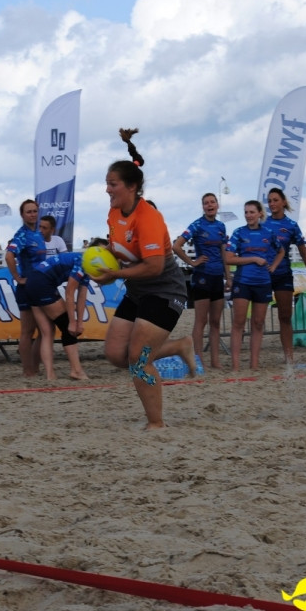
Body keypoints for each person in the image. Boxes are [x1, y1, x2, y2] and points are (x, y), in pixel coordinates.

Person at [89, 160, 194, 430]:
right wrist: (100, 261)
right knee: (115, 354)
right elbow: (120, 253)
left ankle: (156, 423)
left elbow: (154, 266)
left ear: (132, 186)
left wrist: (114, 276)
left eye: (112, 184)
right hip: (138, 292)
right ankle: (180, 346)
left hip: (165, 291)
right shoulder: (114, 214)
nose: (107, 190)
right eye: (107, 183)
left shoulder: (148, 217)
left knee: (138, 360)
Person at [172, 192, 230, 369]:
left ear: (217, 205)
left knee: (215, 322)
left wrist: (228, 277)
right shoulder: (196, 225)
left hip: (217, 278)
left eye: (212, 202)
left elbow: (223, 254)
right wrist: (192, 262)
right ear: (203, 206)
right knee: (201, 320)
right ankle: (197, 360)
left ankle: (215, 361)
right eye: (206, 203)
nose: (210, 205)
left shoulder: (221, 226)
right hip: (202, 277)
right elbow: (176, 246)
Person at [225, 200, 284, 371]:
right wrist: (253, 259)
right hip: (243, 282)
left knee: (258, 323)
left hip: (263, 282)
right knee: (239, 323)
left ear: (260, 213)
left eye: (252, 212)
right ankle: (236, 365)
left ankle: (254, 364)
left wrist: (273, 266)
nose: (248, 215)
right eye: (246, 212)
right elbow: (228, 258)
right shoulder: (239, 232)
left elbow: (281, 251)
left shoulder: (268, 232)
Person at [263, 187, 306, 364]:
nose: (272, 204)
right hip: (263, 275)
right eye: (269, 201)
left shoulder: (291, 225)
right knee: (257, 318)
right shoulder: (263, 223)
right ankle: (255, 357)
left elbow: (303, 252)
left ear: (284, 202)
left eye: (275, 200)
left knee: (285, 317)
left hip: (283, 274)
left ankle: (289, 358)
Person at [25, 250, 92, 381]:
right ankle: (76, 371)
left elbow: (82, 296)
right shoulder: (84, 262)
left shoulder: (87, 262)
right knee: (67, 327)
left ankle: (50, 375)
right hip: (42, 283)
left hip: (33, 281)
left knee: (47, 332)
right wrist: (73, 323)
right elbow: (70, 293)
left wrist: (80, 323)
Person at [5, 199, 46, 376]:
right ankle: (28, 370)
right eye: (29, 212)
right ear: (22, 215)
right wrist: (17, 277)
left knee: (44, 330)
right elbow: (9, 256)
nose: (32, 214)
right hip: (27, 287)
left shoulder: (38, 233)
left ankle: (34, 367)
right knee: (28, 331)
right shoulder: (22, 235)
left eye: (35, 211)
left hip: (41, 286)